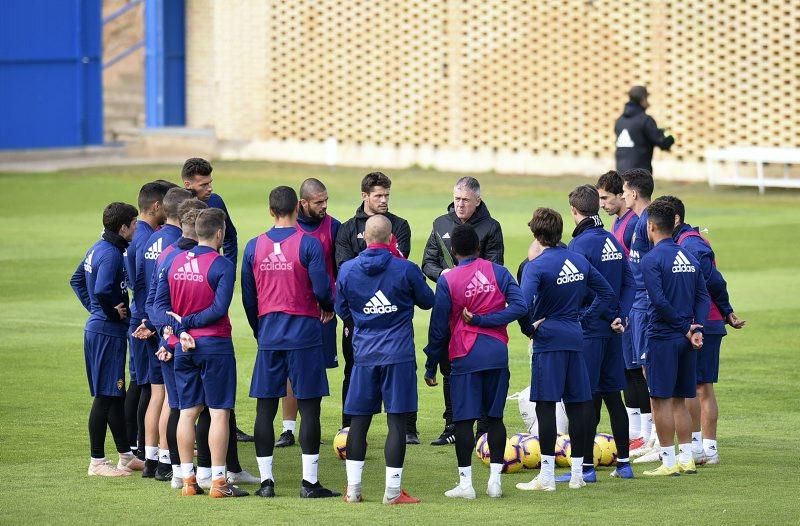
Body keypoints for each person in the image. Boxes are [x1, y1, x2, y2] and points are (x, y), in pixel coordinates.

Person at [243, 186, 338, 499]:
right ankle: (309, 483)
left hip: (270, 333)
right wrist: (325, 307)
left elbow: (247, 295)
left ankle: (266, 483)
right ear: (297, 209)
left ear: (271, 211)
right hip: (304, 334)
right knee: (309, 409)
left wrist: (260, 328)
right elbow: (322, 287)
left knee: (264, 408)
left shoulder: (253, 246)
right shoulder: (308, 244)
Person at [335, 215, 435, 504]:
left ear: (364, 238)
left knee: (359, 421)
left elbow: (342, 307)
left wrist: (363, 321)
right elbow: (428, 301)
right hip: (398, 354)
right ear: (392, 239)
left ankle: (353, 490)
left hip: (364, 354)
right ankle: (392, 492)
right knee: (396, 422)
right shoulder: (405, 269)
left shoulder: (348, 270)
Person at [515, 208, 615, 492]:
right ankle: (577, 475)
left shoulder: (536, 265)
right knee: (579, 407)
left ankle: (546, 477)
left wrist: (530, 328)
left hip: (549, 342)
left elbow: (522, 306)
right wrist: (581, 319)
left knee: (546, 407)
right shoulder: (578, 260)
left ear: (536, 233)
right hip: (575, 337)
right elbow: (606, 294)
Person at [423, 224, 526, 499]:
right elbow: (520, 306)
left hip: (464, 355)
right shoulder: (499, 272)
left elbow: (438, 328)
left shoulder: (448, 280)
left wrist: (431, 365)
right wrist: (489, 320)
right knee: (495, 419)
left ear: (454, 251)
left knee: (464, 421)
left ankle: (466, 485)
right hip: (495, 354)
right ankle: (495, 482)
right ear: (479, 247)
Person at [152, 208, 248, 498]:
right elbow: (219, 309)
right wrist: (188, 323)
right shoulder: (222, 264)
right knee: (219, 412)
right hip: (214, 345)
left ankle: (188, 479)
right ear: (219, 234)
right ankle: (219, 482)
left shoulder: (174, 260)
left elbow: (158, 308)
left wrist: (179, 329)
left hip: (183, 346)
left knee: (186, 411)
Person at [658, 195, 746, 465]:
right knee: (697, 386)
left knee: (699, 387)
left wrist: (727, 309)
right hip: (700, 320)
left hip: (705, 321)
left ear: (675, 220)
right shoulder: (684, 242)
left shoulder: (691, 245)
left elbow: (714, 280)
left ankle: (705, 448)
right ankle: (701, 447)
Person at [335, 172, 418, 443]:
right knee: (353, 368)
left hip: (390, 310)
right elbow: (342, 267)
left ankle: (408, 428)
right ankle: (349, 426)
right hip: (359, 317)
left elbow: (400, 257)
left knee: (405, 371)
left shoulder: (400, 225)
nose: (384, 200)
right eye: (378, 195)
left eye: (387, 195)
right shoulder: (347, 229)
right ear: (364, 196)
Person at [422, 176, 505, 446]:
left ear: (477, 200)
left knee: (479, 365)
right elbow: (427, 263)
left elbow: (496, 265)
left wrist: (467, 280)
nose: (459, 204)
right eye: (456, 198)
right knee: (449, 364)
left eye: (465, 200)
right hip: (450, 305)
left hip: (480, 309)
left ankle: (482, 426)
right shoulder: (440, 224)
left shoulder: (491, 227)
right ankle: (451, 425)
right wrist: (445, 274)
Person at [564, 185, 635, 481]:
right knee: (613, 398)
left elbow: (581, 290)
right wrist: (620, 315)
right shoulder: (612, 240)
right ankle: (624, 464)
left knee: (588, 400)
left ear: (574, 211)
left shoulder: (579, 247)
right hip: (613, 332)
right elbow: (631, 282)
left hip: (591, 332)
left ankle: (587, 469)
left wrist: (588, 316)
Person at [180, 158, 253, 444]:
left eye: (211, 182)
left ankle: (226, 432)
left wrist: (226, 269)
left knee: (218, 358)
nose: (210, 188)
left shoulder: (217, 201)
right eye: (204, 184)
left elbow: (231, 237)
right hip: (185, 285)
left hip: (210, 282)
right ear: (188, 185)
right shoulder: (178, 205)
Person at [640, 199, 710, 477]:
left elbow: (658, 301)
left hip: (663, 336)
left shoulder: (651, 259)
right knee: (680, 400)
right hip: (686, 338)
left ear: (651, 227)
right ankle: (687, 458)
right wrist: (696, 328)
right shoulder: (688, 257)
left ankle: (668, 462)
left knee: (659, 400)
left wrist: (684, 328)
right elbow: (703, 296)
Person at [70, 202, 140, 477]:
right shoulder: (110, 253)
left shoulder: (98, 247)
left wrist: (96, 310)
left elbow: (76, 280)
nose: (136, 228)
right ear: (123, 227)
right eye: (134, 224)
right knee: (104, 397)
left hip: (100, 329)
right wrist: (109, 311)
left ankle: (125, 456)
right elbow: (101, 289)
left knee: (115, 394)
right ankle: (97, 462)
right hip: (106, 333)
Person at [275, 178, 341, 449]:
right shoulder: (289, 227)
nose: (324, 206)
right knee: (290, 370)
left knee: (314, 369)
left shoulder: (335, 227)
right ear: (303, 203)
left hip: (323, 312)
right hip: (294, 311)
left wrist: (332, 303)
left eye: (326, 200)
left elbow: (339, 268)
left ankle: (310, 427)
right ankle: (288, 429)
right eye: (318, 202)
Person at [136, 187, 187, 478]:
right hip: (168, 325)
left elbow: (139, 280)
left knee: (156, 393)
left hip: (148, 320)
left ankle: (151, 457)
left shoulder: (150, 239)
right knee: (172, 396)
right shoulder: (176, 245)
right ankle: (168, 460)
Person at [123, 181, 173, 462]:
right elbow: (141, 281)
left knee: (143, 383)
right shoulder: (148, 238)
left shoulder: (141, 235)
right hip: (146, 320)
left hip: (142, 315)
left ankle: (139, 445)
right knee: (145, 385)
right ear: (157, 206)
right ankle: (139, 447)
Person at [596, 170, 645, 447]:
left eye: (606, 198)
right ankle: (635, 432)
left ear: (621, 195)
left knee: (636, 369)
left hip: (635, 306)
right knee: (627, 368)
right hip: (622, 306)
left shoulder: (633, 224)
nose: (602, 204)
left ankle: (645, 434)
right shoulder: (617, 223)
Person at [621, 168, 657, 457]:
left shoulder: (647, 222)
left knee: (649, 370)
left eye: (623, 190)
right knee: (643, 369)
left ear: (633, 193)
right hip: (638, 304)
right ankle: (649, 436)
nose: (622, 195)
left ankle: (658, 439)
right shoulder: (640, 220)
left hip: (646, 303)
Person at [615, 86, 675, 174]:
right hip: (639, 176)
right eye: (647, 98)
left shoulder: (620, 120)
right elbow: (661, 141)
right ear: (642, 99)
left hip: (620, 173)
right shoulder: (645, 120)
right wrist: (671, 137)